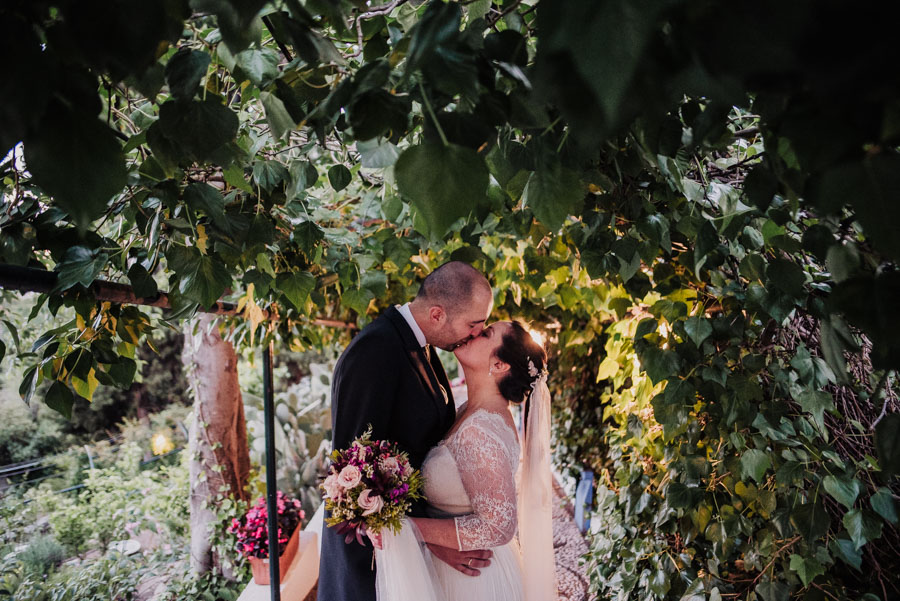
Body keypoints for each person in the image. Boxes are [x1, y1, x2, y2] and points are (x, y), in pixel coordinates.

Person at [317, 261, 495, 601]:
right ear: (438, 314)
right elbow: (351, 475)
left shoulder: (422, 344)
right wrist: (434, 542)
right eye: (473, 325)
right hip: (371, 562)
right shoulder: (374, 351)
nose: (475, 334)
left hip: (407, 544)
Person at [372, 320, 557, 601]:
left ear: (499, 365)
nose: (472, 332)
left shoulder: (480, 431)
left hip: (472, 581)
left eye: (486, 334)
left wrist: (411, 529)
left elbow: (498, 525)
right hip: (454, 569)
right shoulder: (468, 412)